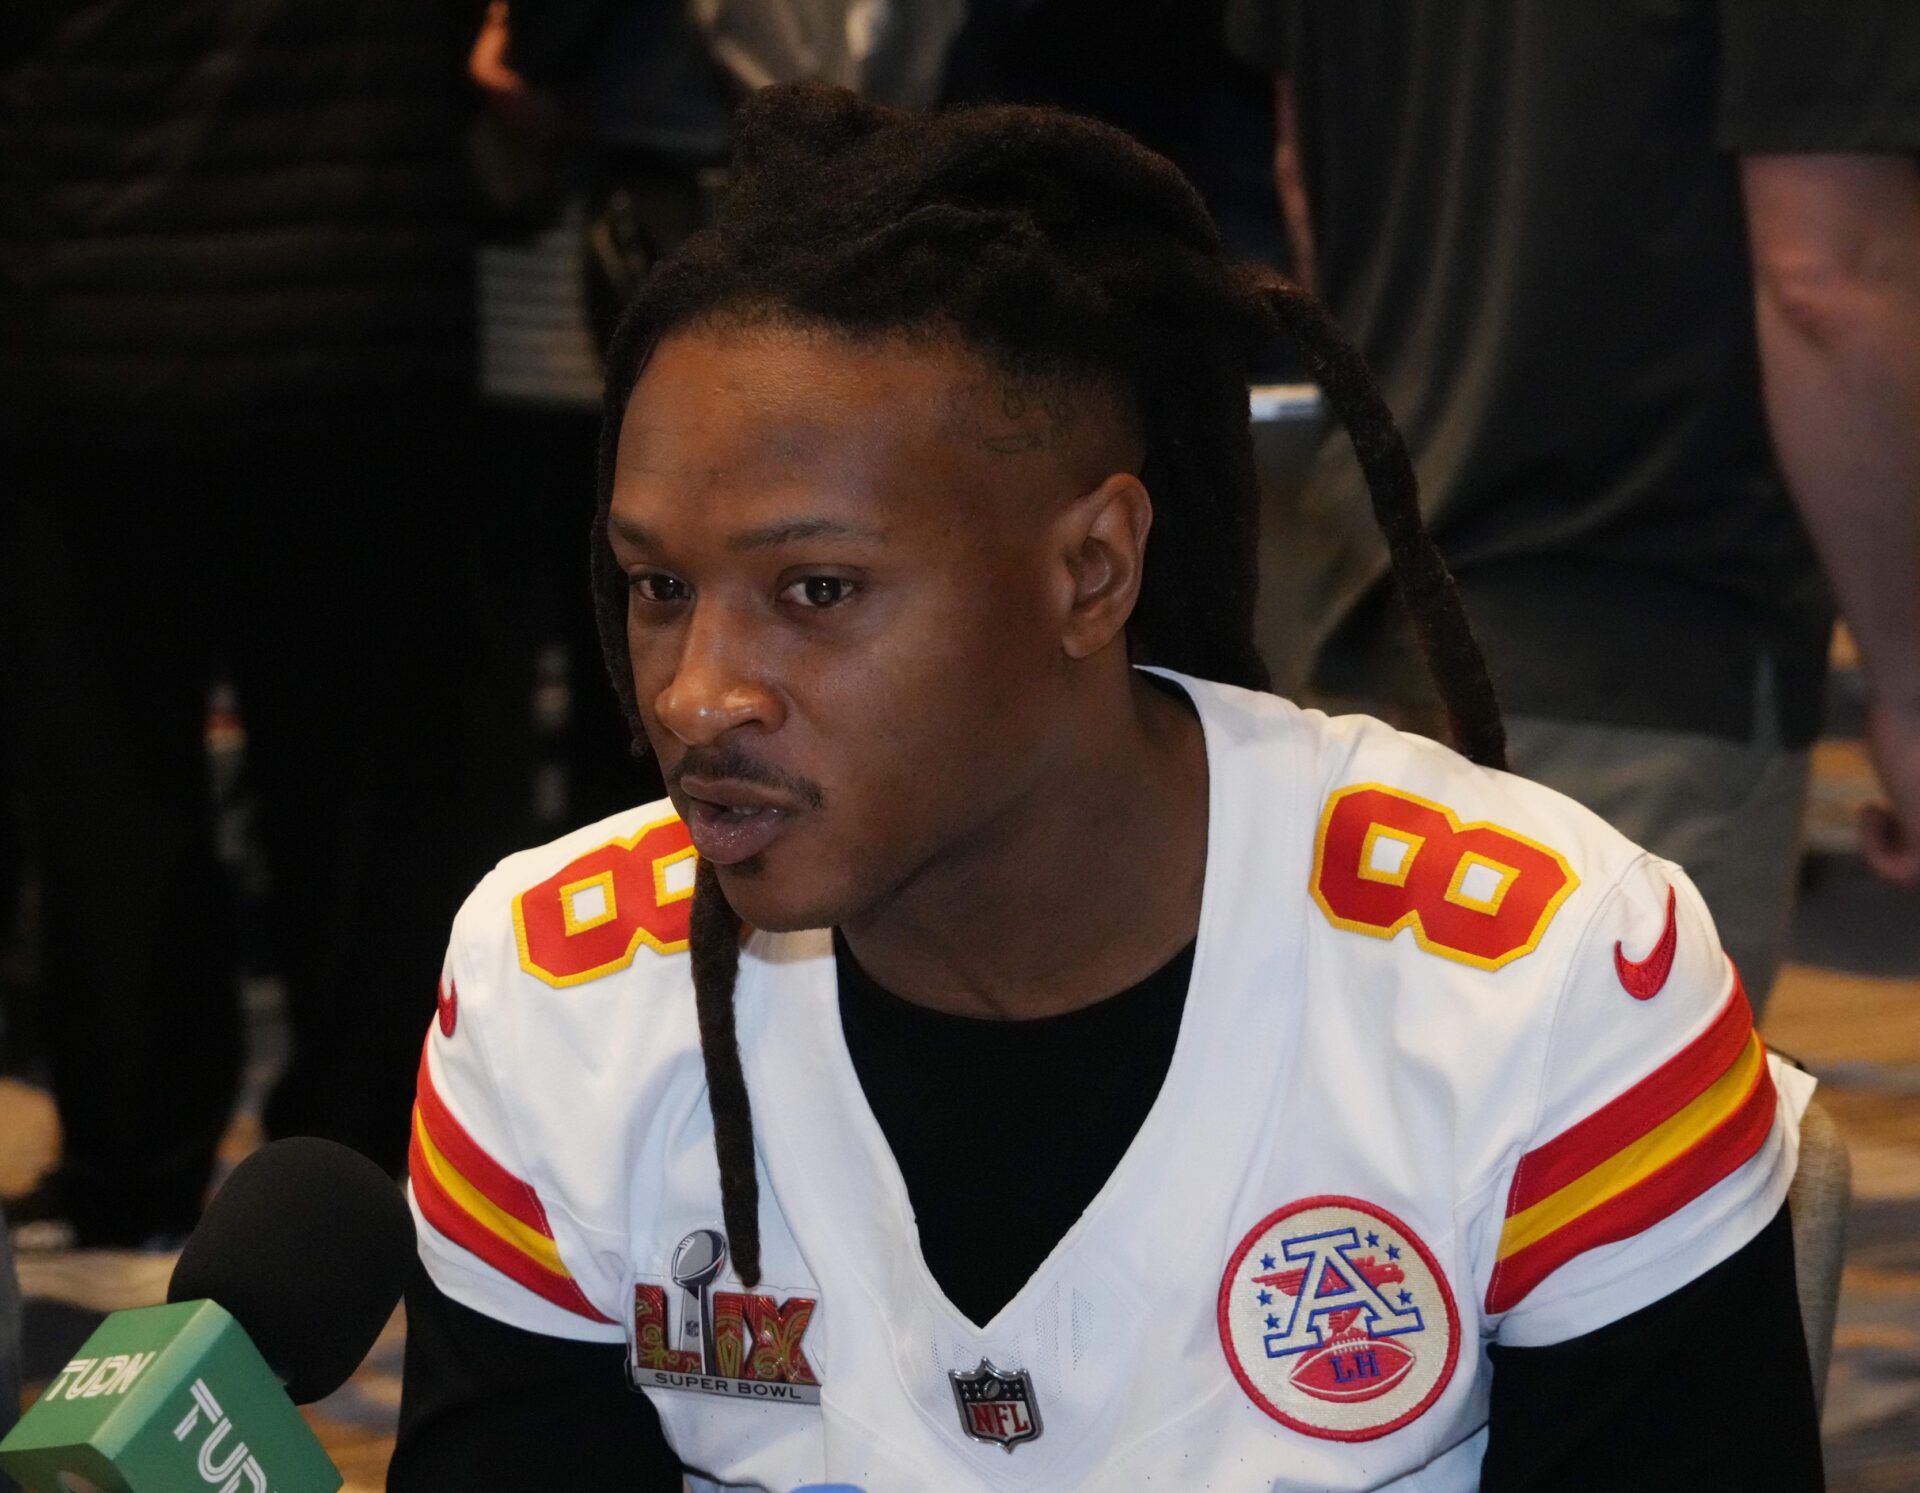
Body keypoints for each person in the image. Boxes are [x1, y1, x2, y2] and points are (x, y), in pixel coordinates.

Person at [391, 86, 1824, 1490]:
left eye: (815, 589)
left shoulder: (1548, 988)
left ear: (1093, 571)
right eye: (658, 585)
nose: (698, 692)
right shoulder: (548, 994)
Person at [1224, 0, 1920, 1016]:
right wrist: (1911, 683)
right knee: (1617, 1169)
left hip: (1363, 627)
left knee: (1374, 1163)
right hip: (1642, 654)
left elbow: (1302, 172)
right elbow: (1827, 275)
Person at [0, 0, 490, 1306]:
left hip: (97, 321)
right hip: (360, 314)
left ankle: (132, 1163)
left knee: (111, 791)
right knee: (364, 801)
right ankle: (353, 1172)